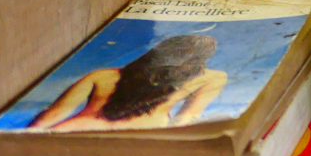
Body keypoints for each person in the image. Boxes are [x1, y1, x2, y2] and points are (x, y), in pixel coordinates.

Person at [31, 34, 228, 132]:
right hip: (138, 136)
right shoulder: (210, 78)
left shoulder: (103, 75)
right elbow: (187, 117)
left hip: (77, 129)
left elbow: (54, 114)